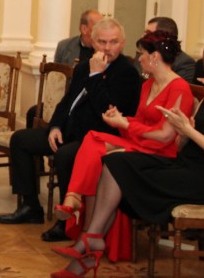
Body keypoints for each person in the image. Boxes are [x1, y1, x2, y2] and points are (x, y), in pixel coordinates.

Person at [0, 18, 141, 244]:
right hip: (70, 131)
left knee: (65, 155)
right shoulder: (84, 66)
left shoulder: (127, 73)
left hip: (99, 138)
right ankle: (31, 206)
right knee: (21, 140)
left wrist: (96, 76)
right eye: (102, 42)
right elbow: (66, 102)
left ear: (122, 43)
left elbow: (107, 110)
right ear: (92, 42)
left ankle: (67, 222)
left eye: (113, 42)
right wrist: (55, 126)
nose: (107, 48)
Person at [54, 30, 194, 225]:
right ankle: (74, 198)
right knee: (93, 138)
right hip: (142, 142)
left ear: (154, 56)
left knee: (104, 158)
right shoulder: (149, 85)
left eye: (141, 54)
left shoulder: (179, 88)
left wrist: (125, 124)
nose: (139, 59)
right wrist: (121, 119)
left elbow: (164, 136)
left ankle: (87, 223)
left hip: (160, 150)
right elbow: (139, 121)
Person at [51, 103, 204, 277]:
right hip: (183, 165)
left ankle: (85, 252)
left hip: (198, 179)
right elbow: (182, 146)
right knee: (116, 163)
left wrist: (188, 130)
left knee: (121, 173)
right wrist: (183, 134)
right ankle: (92, 239)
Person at [25, 9, 103, 128]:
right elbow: (55, 79)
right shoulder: (64, 46)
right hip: (65, 98)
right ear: (84, 29)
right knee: (33, 112)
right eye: (98, 26)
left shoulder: (105, 50)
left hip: (90, 102)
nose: (102, 30)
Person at [135, 16, 195, 83]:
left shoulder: (184, 62)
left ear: (163, 36)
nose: (143, 36)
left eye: (148, 33)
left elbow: (178, 86)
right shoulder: (142, 54)